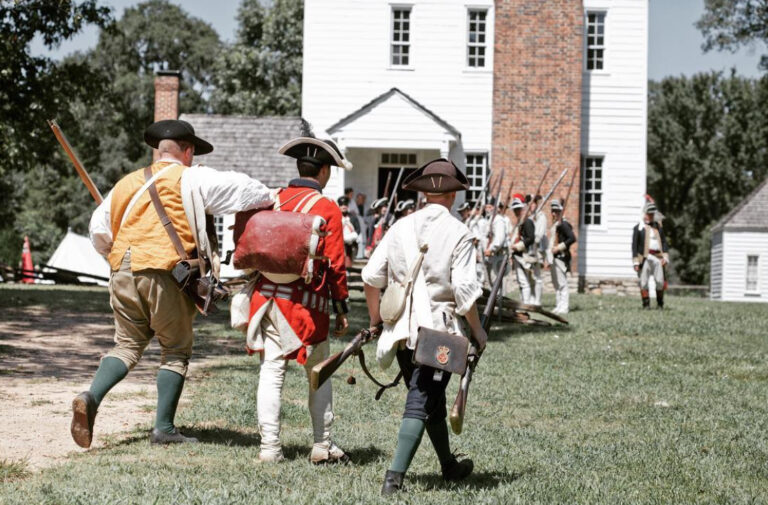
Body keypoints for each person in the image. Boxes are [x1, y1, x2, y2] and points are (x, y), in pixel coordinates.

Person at [73, 119, 275, 448]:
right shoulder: (191, 177)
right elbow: (253, 192)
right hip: (165, 271)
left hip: (122, 270)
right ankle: (164, 429)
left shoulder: (126, 183)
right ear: (188, 150)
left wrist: (120, 259)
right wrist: (272, 197)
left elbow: (99, 230)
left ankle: (91, 396)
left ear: (158, 151)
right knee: (176, 350)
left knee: (125, 347)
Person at [361, 158, 488, 495]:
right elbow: (464, 292)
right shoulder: (459, 231)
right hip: (439, 333)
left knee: (431, 399)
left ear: (426, 193)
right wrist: (478, 331)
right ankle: (393, 480)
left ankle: (448, 466)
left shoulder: (400, 226)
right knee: (421, 399)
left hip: (401, 331)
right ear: (452, 195)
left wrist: (377, 321)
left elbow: (371, 277)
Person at [245, 137, 352, 463]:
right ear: (322, 171)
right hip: (306, 307)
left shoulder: (271, 199)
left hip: (266, 302)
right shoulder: (326, 207)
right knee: (319, 375)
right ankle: (322, 445)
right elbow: (335, 264)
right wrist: (341, 306)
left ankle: (270, 449)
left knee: (271, 373)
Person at [632, 199, 669, 309]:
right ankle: (646, 304)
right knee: (643, 282)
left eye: (652, 214)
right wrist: (635, 262)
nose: (650, 216)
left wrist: (665, 256)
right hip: (644, 257)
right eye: (648, 213)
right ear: (644, 214)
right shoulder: (638, 228)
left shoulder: (658, 227)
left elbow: (663, 242)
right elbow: (634, 246)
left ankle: (660, 304)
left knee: (660, 281)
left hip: (657, 256)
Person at [548, 199, 576, 314]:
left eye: (556, 211)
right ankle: (559, 305)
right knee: (557, 283)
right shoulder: (557, 224)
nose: (554, 213)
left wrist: (558, 248)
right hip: (555, 257)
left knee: (562, 283)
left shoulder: (564, 224)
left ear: (560, 211)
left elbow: (572, 238)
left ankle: (564, 306)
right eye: (552, 211)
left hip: (561, 257)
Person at [509, 193, 536, 304]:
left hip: (525, 255)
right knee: (522, 281)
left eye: (518, 209)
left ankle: (527, 303)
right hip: (519, 256)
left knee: (525, 282)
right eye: (515, 210)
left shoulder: (527, 222)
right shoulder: (520, 223)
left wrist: (518, 246)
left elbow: (531, 238)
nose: (516, 212)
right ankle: (523, 301)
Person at [483, 197, 508, 287]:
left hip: (497, 256)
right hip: (490, 257)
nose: (488, 209)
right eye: (487, 207)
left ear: (495, 207)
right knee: (492, 285)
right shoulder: (490, 220)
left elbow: (499, 238)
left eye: (490, 207)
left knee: (497, 286)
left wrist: (491, 249)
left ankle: (499, 301)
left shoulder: (498, 219)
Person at [528, 194, 547, 306]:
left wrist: (531, 239)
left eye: (532, 203)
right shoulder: (530, 217)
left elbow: (539, 235)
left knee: (537, 276)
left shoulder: (541, 216)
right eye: (529, 204)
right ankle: (532, 298)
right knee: (531, 276)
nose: (531, 206)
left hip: (538, 249)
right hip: (530, 250)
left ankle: (538, 300)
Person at [338, 195, 360, 265]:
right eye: (341, 205)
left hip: (351, 244)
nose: (344, 206)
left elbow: (358, 229)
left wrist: (351, 237)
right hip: (339, 244)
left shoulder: (353, 217)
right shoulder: (336, 217)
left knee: (349, 263)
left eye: (345, 204)